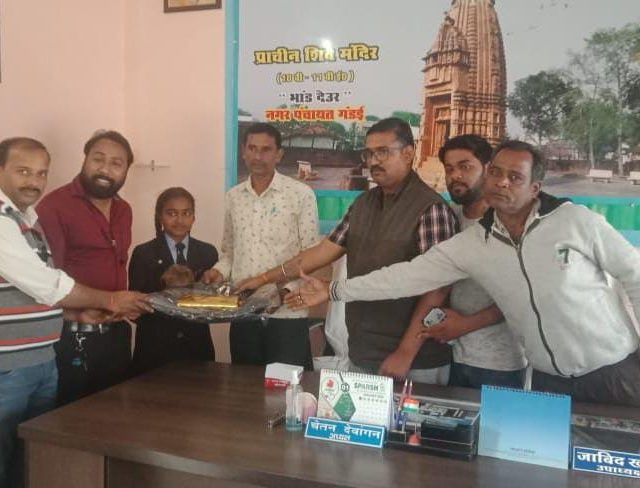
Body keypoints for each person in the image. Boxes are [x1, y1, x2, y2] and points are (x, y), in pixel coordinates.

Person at [290, 140, 640, 406]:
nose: (502, 183)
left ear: (534, 188)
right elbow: (406, 276)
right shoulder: (475, 242)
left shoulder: (575, 221)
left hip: (614, 371)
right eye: (496, 173)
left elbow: (634, 274)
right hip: (549, 381)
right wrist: (334, 291)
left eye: (515, 177)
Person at [238, 118, 458, 383]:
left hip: (413, 361)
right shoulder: (364, 203)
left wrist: (406, 352)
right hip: (362, 351)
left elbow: (438, 288)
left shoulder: (430, 208)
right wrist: (263, 279)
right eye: (369, 153)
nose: (374, 161)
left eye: (383, 152)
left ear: (409, 153)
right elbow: (321, 252)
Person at [0, 137, 149, 488]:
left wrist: (78, 314)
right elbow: (49, 284)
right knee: (10, 458)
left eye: (41, 173)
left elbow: (36, 294)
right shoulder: (34, 213)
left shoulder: (28, 218)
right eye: (23, 171)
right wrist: (110, 301)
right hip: (13, 366)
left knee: (39, 455)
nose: (34, 181)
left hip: (45, 358)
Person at [202, 123, 319, 369]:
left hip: (287, 312)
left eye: (266, 150)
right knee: (244, 384)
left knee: (285, 386)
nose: (258, 156)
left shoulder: (301, 194)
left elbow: (311, 255)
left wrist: (286, 291)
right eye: (252, 148)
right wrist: (218, 272)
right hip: (243, 313)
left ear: (279, 154)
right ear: (244, 152)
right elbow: (230, 252)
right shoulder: (234, 197)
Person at [37, 130, 137, 405]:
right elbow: (46, 281)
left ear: (126, 170)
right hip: (72, 336)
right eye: (98, 159)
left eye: (116, 163)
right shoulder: (55, 206)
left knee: (115, 413)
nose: (105, 169)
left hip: (116, 335)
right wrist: (79, 311)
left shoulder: (124, 210)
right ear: (85, 160)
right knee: (70, 419)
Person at [435, 135, 527, 388]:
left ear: (489, 170)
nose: (455, 176)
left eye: (465, 167)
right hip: (450, 354)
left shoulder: (510, 224)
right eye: (449, 169)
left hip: (498, 363)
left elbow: (520, 294)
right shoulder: (448, 217)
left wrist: (465, 325)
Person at [129, 187, 218, 374]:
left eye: (186, 213)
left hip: (197, 347)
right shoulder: (143, 253)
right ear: (160, 217)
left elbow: (214, 303)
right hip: (154, 348)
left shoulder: (208, 253)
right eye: (171, 213)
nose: (179, 220)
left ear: (194, 217)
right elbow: (134, 306)